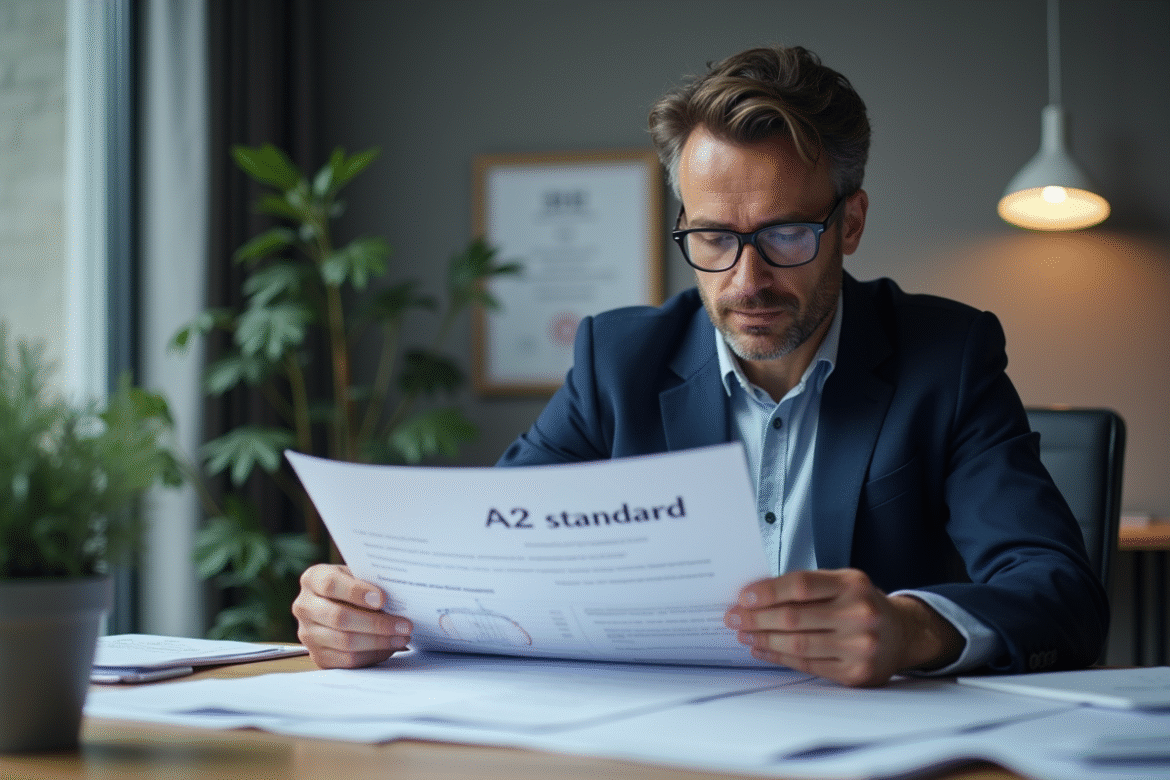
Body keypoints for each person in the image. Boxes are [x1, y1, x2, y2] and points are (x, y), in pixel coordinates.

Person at [293, 45, 1108, 687]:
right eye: (713, 238)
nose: (745, 281)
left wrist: (912, 629)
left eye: (787, 234)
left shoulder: (947, 357)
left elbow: (1059, 593)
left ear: (850, 221)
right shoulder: (617, 361)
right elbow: (496, 559)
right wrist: (366, 610)